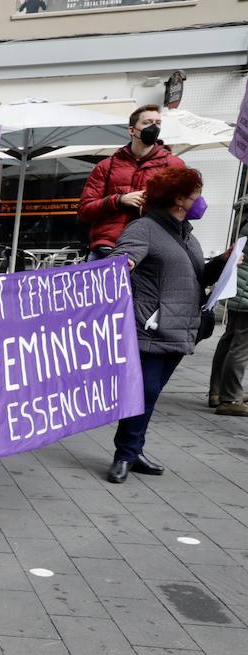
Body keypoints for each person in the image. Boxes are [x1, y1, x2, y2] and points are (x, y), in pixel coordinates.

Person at [108, 167, 232, 483]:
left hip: (179, 329)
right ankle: (125, 454)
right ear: (179, 199)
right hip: (150, 328)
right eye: (196, 195)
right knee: (144, 392)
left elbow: (196, 276)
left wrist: (222, 262)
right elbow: (122, 260)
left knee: (150, 394)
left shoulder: (185, 234)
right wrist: (126, 263)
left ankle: (133, 451)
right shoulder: (144, 228)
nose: (200, 201)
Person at [79, 105, 187, 259]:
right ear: (132, 130)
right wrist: (119, 200)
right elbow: (85, 211)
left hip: (150, 249)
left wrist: (154, 205)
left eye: (158, 123)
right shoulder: (106, 166)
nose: (154, 127)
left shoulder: (173, 165)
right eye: (147, 122)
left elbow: (186, 208)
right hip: (107, 248)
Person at [209, 239, 248, 416]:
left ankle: (217, 392)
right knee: (241, 345)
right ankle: (230, 398)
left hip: (239, 288)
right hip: (244, 291)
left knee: (230, 339)